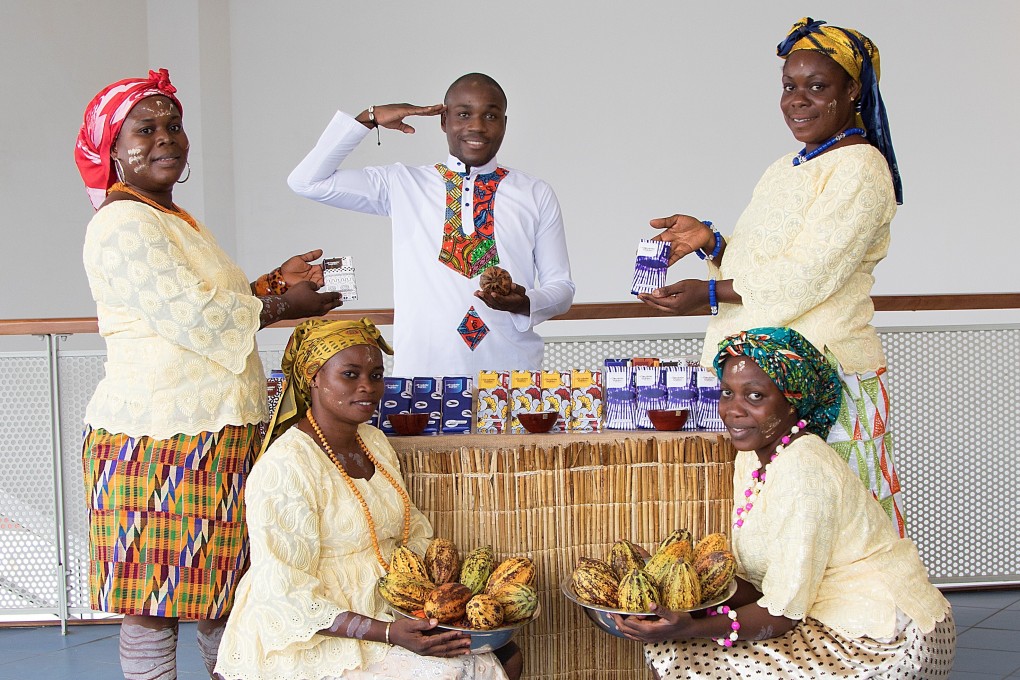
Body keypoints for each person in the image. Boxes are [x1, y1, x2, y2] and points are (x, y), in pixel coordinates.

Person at [75, 68, 343, 680]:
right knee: (152, 604)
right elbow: (194, 320)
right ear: (112, 149)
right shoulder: (123, 223)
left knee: (223, 594)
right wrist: (280, 306)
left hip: (216, 433)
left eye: (173, 126)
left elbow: (210, 304)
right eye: (145, 129)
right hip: (157, 440)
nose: (166, 138)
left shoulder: (172, 219)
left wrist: (274, 282)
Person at [637, 18, 906, 537]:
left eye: (816, 86)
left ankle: (842, 619)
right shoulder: (787, 166)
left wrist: (709, 293)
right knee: (776, 520)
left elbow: (809, 275)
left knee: (835, 514)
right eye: (789, 86)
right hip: (765, 378)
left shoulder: (860, 168)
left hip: (827, 372)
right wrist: (712, 243)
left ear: (853, 91)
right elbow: (766, 264)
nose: (797, 100)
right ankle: (784, 615)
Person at [613, 327, 955, 679]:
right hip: (820, 614)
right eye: (727, 393)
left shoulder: (805, 470)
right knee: (673, 648)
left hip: (885, 636)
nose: (733, 410)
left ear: (793, 402)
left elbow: (782, 615)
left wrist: (689, 627)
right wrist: (672, 595)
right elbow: (761, 585)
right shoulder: (754, 456)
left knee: (689, 659)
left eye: (756, 396)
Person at [214, 319, 519, 679]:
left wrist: (442, 601)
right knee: (452, 673)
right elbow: (283, 591)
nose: (367, 387)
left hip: (392, 605)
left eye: (376, 375)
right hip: (317, 630)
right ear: (313, 377)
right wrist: (388, 633)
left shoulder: (373, 442)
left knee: (505, 653)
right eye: (350, 374)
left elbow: (412, 533)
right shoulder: (285, 466)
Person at [288, 73, 575, 377]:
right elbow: (307, 181)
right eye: (464, 114)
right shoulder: (402, 184)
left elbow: (562, 287)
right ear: (443, 121)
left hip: (511, 375)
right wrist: (368, 119)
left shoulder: (534, 193)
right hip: (423, 378)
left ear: (504, 123)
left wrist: (524, 302)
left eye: (490, 115)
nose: (477, 126)